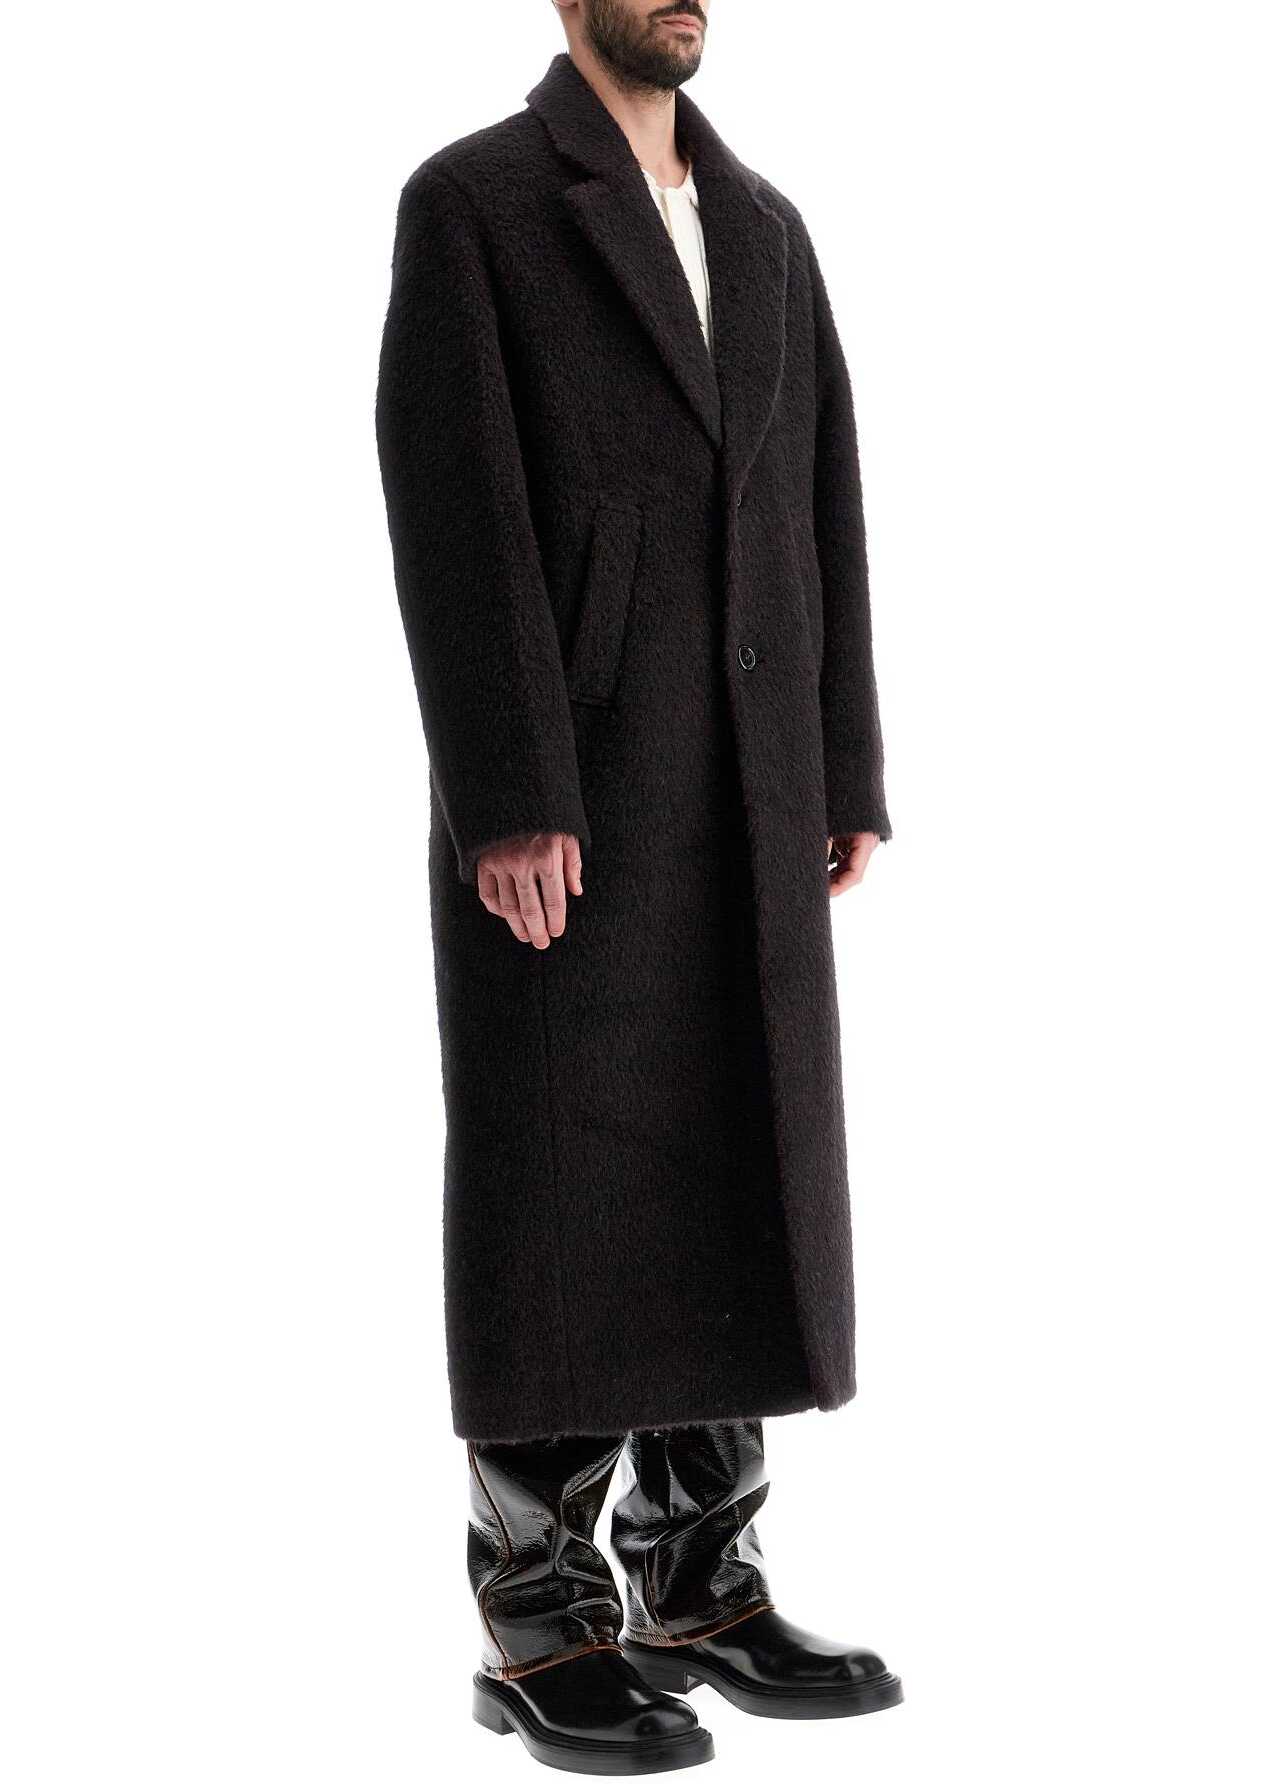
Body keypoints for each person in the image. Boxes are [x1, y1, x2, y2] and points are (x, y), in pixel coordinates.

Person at [375, 2, 899, 1771]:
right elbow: (454, 510)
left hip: (752, 776)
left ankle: (700, 1583)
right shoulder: (476, 201)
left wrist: (841, 763)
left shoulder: (761, 224)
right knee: (566, 1171)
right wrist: (509, 795)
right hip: (580, 786)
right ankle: (539, 1623)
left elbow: (818, 495)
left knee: (737, 1150)